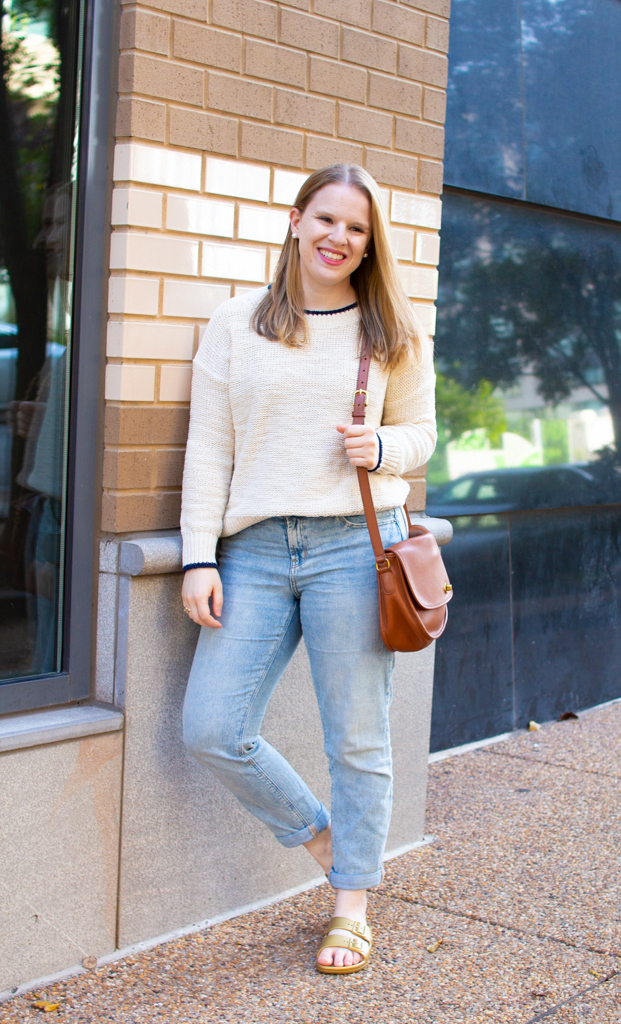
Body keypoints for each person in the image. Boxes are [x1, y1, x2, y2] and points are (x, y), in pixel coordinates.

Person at [180, 163, 437, 974]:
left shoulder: (389, 328)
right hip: (251, 550)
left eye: (356, 229)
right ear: (295, 220)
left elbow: (423, 434)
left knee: (357, 737)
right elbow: (209, 446)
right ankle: (327, 840)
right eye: (325, 219)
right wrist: (196, 557)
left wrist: (384, 447)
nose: (338, 238)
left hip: (354, 550)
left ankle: (351, 905)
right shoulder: (234, 322)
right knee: (213, 727)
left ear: (369, 245)